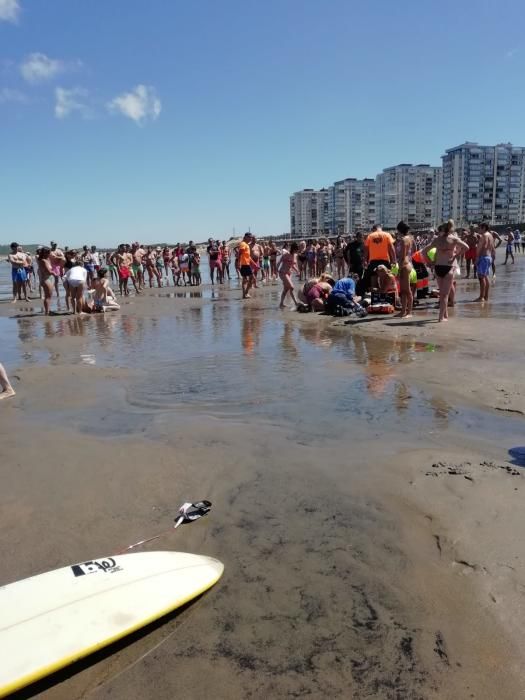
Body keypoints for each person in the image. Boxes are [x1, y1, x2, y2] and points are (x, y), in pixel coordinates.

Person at [423, 220, 468, 321]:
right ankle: (440, 318)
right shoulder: (454, 239)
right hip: (448, 267)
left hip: (438, 267)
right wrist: (455, 256)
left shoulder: (437, 240)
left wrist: (431, 261)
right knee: (444, 295)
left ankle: (445, 314)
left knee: (442, 292)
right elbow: (466, 247)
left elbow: (424, 251)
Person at [363, 225, 396, 291]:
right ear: (380, 228)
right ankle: (385, 296)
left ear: (374, 229)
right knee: (385, 279)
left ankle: (375, 297)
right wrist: (394, 260)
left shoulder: (370, 236)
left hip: (373, 261)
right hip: (385, 261)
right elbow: (391, 248)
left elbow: (366, 250)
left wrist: (365, 260)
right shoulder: (387, 235)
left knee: (373, 281)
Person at [395, 221, 415, 318]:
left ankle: (409, 312)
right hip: (407, 264)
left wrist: (399, 270)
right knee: (403, 290)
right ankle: (403, 311)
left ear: (400, 230)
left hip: (404, 265)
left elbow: (402, 256)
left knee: (406, 290)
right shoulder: (409, 238)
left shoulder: (403, 240)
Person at [475, 223, 496, 301]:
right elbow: (493, 247)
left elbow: (483, 246)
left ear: (483, 228)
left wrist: (477, 257)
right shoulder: (490, 235)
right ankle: (486, 296)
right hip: (488, 257)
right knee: (486, 277)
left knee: (481, 277)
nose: (478, 229)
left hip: (483, 257)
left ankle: (481, 297)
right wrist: (493, 256)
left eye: (479, 228)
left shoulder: (484, 236)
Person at [278, 242, 299, 308]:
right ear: (293, 249)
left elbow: (292, 265)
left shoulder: (295, 255)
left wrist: (297, 270)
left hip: (289, 273)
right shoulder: (287, 254)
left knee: (286, 289)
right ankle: (296, 303)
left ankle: (281, 304)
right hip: (283, 272)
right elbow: (280, 261)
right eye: (296, 249)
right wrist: (276, 270)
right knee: (291, 287)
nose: (297, 251)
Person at [37, 247, 55, 315]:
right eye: (47, 252)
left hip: (49, 279)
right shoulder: (43, 260)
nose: (48, 254)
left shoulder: (47, 259)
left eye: (49, 252)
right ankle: (47, 312)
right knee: (47, 297)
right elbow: (49, 272)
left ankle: (48, 310)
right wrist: (56, 273)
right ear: (43, 253)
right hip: (46, 279)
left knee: (49, 296)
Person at [238, 233, 255, 299]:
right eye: (249, 237)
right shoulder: (243, 244)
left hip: (247, 264)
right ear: (245, 237)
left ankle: (245, 294)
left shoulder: (246, 245)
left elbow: (248, 257)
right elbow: (239, 254)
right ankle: (245, 293)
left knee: (247, 279)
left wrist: (254, 264)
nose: (250, 238)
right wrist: (239, 263)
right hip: (244, 264)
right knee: (250, 279)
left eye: (251, 237)